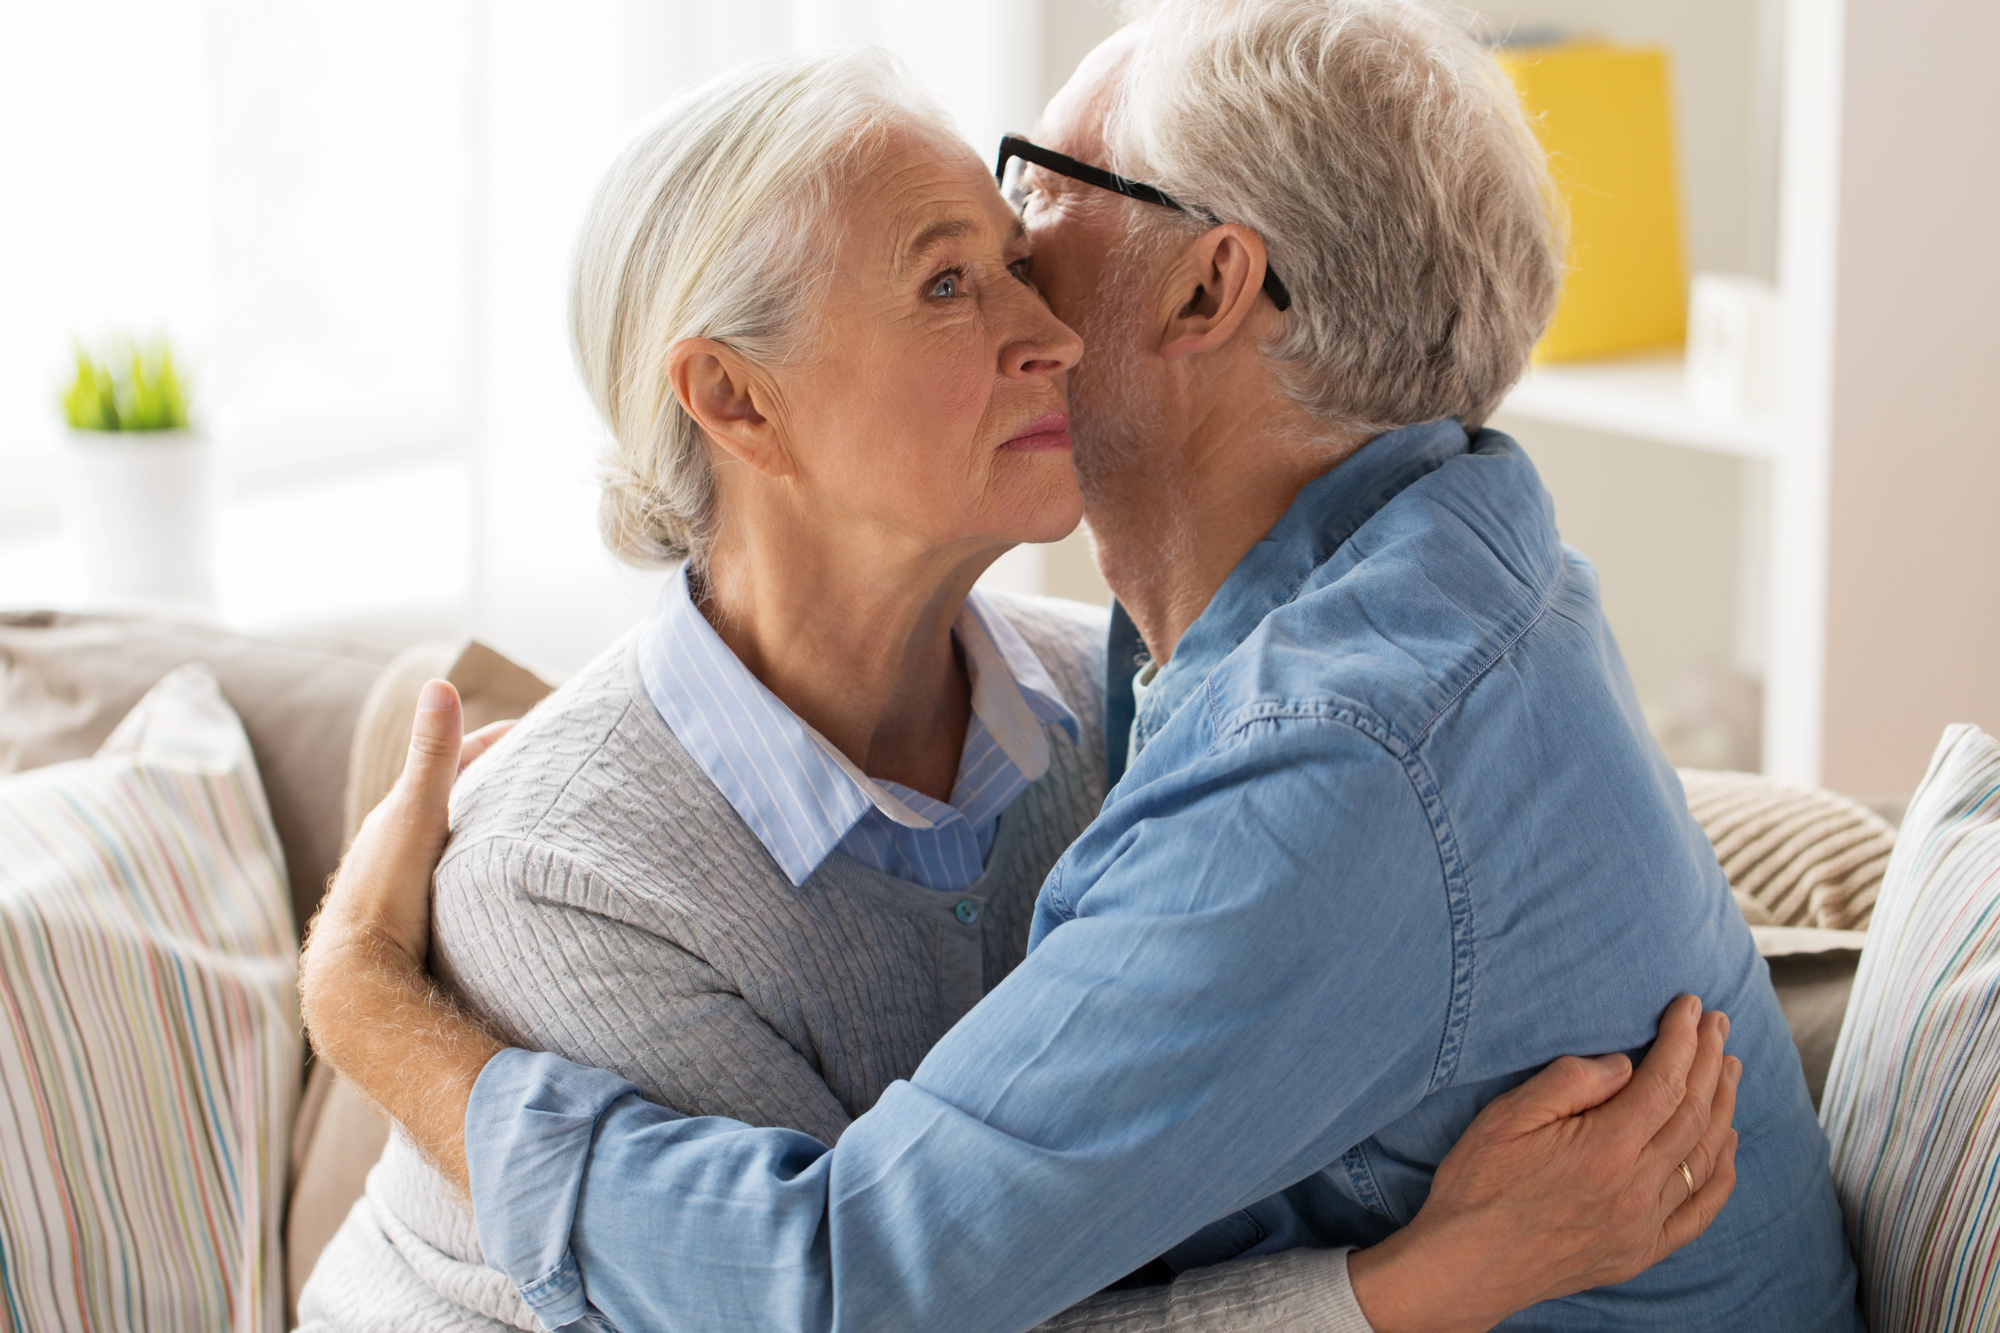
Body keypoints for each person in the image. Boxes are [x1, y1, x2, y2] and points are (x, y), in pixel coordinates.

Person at [305, 0, 1864, 1328]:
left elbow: (856, 1281)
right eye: (950, 271)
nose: (1032, 304)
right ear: (736, 400)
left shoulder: (1307, 753)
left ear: (1207, 288)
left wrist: (368, 1008)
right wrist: (1401, 1285)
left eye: (1035, 204)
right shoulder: (1408, 585)